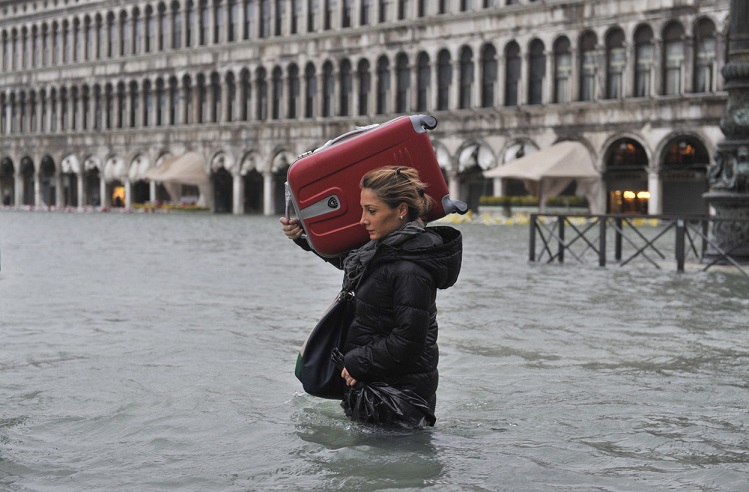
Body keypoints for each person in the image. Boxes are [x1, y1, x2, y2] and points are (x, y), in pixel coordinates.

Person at [280, 165, 462, 426]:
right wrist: (304, 238)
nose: (363, 219)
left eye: (372, 211)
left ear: (401, 210)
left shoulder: (411, 268)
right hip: (377, 390)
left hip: (397, 401)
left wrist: (356, 362)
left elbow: (409, 340)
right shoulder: (385, 249)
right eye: (363, 209)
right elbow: (352, 263)